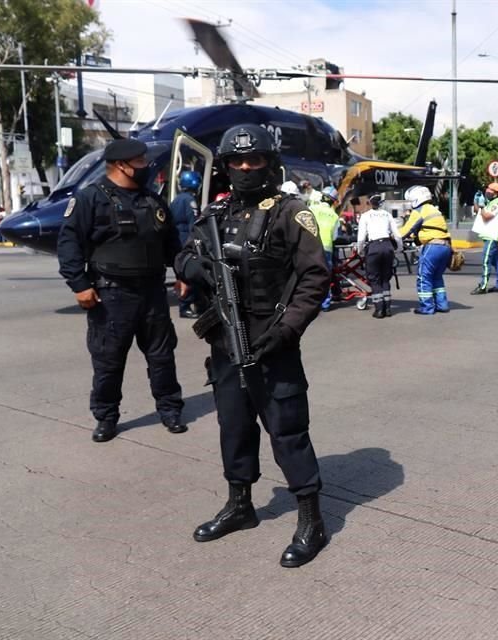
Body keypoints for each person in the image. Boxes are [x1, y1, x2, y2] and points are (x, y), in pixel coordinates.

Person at [174, 123, 331, 568]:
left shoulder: (290, 212)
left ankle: (311, 518)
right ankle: (239, 504)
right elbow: (183, 253)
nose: (245, 168)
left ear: (269, 163)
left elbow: (315, 276)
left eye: (254, 160)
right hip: (225, 339)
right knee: (234, 426)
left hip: (272, 339)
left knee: (288, 430)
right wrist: (194, 269)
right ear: (224, 167)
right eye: (237, 161)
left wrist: (288, 330)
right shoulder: (214, 214)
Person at [57, 138, 186, 443]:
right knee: (109, 361)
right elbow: (69, 243)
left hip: (153, 293)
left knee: (162, 356)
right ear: (121, 165)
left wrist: (182, 273)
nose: (146, 167)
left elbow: (171, 244)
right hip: (111, 295)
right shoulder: (91, 198)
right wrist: (80, 285)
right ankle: (106, 417)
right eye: (140, 162)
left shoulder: (152, 201)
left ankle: (170, 410)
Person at [400, 185, 453, 315]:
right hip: (445, 247)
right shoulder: (435, 210)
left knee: (423, 277)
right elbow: (429, 228)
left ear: (416, 199)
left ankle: (427, 307)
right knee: (437, 277)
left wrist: (390, 236)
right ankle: (442, 305)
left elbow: (404, 232)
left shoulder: (419, 211)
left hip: (432, 247)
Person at [357, 193, 402, 318]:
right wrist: (399, 248)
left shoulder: (365, 216)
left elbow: (361, 238)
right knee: (385, 278)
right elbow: (397, 235)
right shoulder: (387, 215)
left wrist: (359, 250)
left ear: (370, 203)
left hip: (374, 247)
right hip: (387, 246)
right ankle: (387, 309)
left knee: (375, 279)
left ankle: (379, 310)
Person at [171, 170, 202, 319]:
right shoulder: (190, 200)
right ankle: (186, 305)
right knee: (190, 274)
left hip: (177, 239)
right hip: (186, 239)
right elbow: (193, 222)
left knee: (182, 273)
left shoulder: (177, 199)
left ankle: (186, 304)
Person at [309, 186, 341, 312]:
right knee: (325, 276)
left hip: (312, 246)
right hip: (327, 247)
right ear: (333, 201)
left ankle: (311, 301)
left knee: (311, 274)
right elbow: (335, 237)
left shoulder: (312, 209)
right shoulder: (334, 215)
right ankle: (325, 304)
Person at [471, 182, 498, 294]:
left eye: (490, 190)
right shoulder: (490, 203)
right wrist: (476, 201)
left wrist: (481, 206)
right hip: (488, 236)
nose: (487, 191)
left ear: (496, 193)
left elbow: (486, 216)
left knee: (486, 261)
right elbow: (478, 211)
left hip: (492, 237)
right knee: (496, 262)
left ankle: (483, 286)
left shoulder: (497, 205)